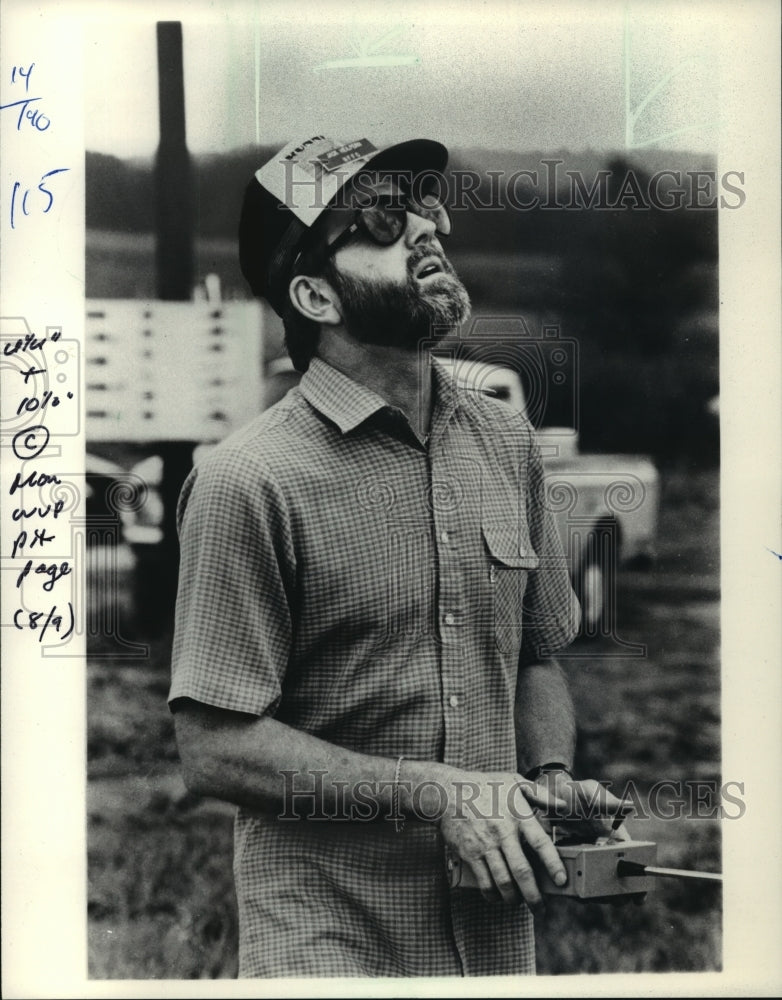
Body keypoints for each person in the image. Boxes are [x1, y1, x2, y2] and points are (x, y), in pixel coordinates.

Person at [169, 134, 625, 979]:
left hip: (491, 941)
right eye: (379, 218)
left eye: (423, 205)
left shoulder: (504, 435)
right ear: (314, 293)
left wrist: (551, 776)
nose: (422, 227)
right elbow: (212, 749)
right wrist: (436, 790)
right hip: (329, 945)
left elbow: (536, 657)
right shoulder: (248, 481)